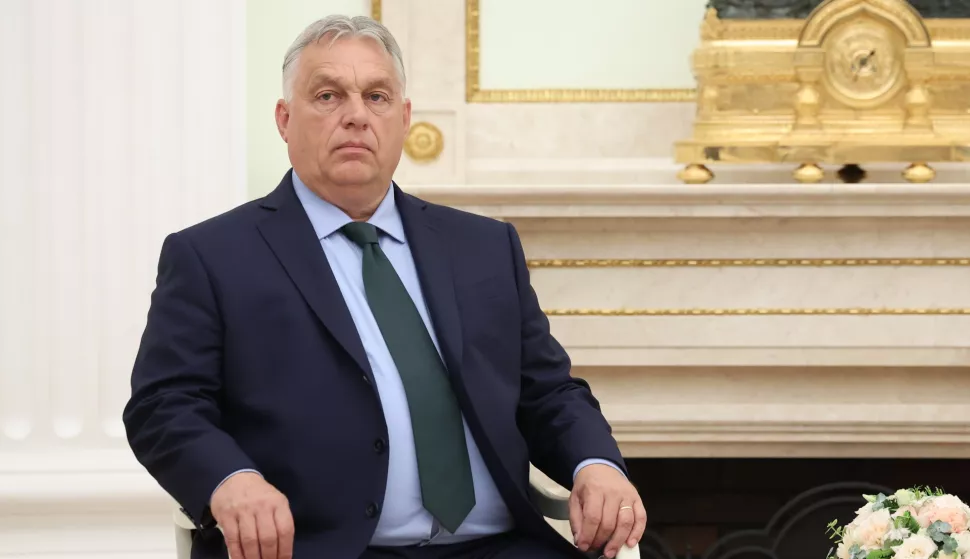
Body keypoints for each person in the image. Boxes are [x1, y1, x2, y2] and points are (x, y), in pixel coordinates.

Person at [123, 14, 646, 559]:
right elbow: (164, 405)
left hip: (500, 547)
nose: (356, 116)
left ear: (403, 117)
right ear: (283, 119)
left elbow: (549, 392)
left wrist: (596, 465)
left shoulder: (485, 247)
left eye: (377, 96)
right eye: (328, 96)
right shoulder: (213, 256)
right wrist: (229, 479)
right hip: (320, 548)